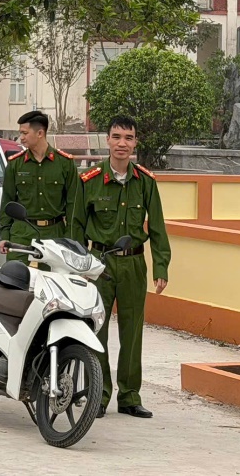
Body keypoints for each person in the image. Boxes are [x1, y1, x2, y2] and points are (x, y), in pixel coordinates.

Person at [72, 115, 171, 419]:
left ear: (135, 143)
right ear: (107, 140)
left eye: (128, 138)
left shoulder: (145, 182)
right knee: (97, 331)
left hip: (133, 264)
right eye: (116, 137)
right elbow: (76, 226)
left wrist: (161, 267)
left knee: (132, 332)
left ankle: (129, 396)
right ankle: (98, 395)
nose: (122, 144)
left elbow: (157, 227)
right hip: (99, 265)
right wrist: (78, 267)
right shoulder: (89, 180)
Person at [0, 111, 83, 263]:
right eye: (20, 133)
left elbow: (74, 205)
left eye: (25, 133)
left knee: (54, 277)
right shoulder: (15, 164)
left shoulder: (65, 164)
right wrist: (5, 236)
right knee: (15, 275)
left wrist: (70, 240)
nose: (21, 137)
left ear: (40, 133)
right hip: (22, 234)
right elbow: (7, 201)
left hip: (54, 234)